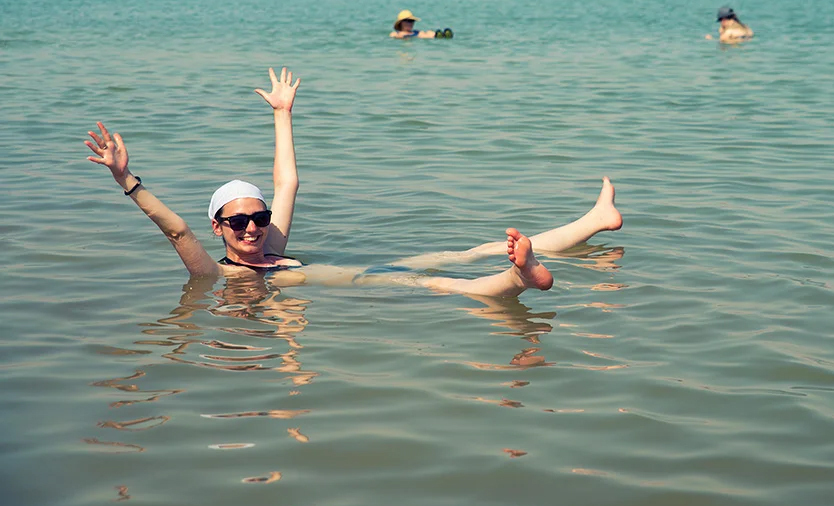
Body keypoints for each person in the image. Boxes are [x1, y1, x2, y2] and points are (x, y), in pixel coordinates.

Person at [84, 69, 622, 298]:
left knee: (469, 250)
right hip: (358, 283)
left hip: (367, 268)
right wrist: (126, 179)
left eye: (259, 216)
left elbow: (287, 181)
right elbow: (176, 231)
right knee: (441, 286)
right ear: (218, 226)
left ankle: (595, 222)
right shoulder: (217, 271)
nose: (252, 227)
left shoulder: (272, 244)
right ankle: (521, 278)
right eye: (239, 220)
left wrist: (282, 115)